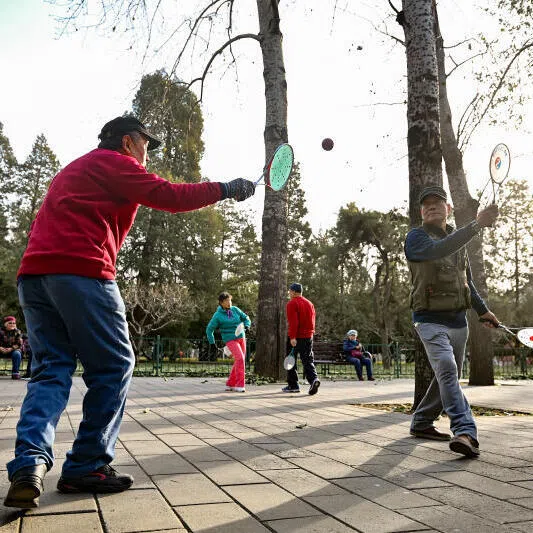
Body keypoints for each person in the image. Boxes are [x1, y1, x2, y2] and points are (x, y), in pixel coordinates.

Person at [3, 115, 256, 509]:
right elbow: (170, 196)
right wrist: (226, 188)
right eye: (145, 144)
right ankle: (87, 463)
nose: (147, 153)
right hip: (81, 271)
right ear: (126, 142)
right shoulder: (116, 163)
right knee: (115, 365)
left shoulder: (74, 168)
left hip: (34, 276)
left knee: (51, 370)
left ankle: (29, 464)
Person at [404, 185, 499, 458]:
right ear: (421, 212)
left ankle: (421, 422)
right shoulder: (416, 238)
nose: (431, 206)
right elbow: (437, 251)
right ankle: (465, 431)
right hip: (429, 321)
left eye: (438, 202)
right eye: (426, 204)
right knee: (446, 367)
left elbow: (465, 281)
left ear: (449, 209)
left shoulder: (458, 243)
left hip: (459, 322)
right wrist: (476, 225)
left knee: (447, 375)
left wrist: (483, 311)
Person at [206, 292, 251, 392]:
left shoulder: (235, 309)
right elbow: (209, 329)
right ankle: (239, 385)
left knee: (239, 360)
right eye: (226, 301)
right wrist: (212, 343)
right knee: (240, 359)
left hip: (241, 337)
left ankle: (230, 383)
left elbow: (246, 318)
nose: (229, 302)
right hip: (230, 339)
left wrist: (247, 326)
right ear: (221, 303)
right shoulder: (217, 315)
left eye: (230, 300)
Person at [283, 283, 320, 395]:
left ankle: (293, 385)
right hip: (308, 336)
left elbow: (294, 322)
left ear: (294, 291)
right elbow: (313, 321)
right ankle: (314, 379)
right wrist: (311, 333)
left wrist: (293, 337)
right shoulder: (310, 303)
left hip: (297, 336)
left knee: (290, 360)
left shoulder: (292, 303)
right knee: (307, 359)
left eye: (290, 291)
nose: (289, 293)